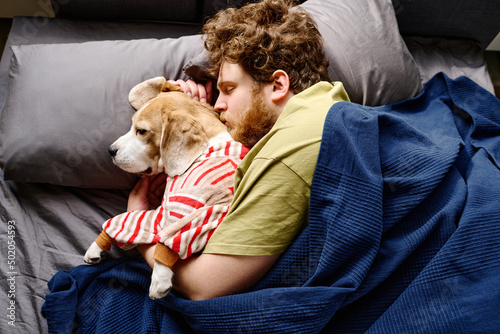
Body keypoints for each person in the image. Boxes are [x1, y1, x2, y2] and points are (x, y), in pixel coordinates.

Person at [131, 0, 350, 300]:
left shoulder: (287, 153)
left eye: (229, 89)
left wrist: (139, 225)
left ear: (278, 85)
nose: (218, 104)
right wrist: (198, 113)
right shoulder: (330, 100)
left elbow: (203, 286)